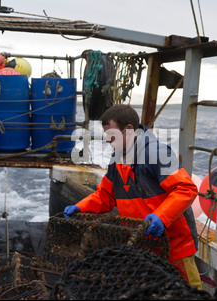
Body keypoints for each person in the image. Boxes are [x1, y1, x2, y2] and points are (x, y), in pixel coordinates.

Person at [64, 104, 202, 289]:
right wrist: (80, 207)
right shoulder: (117, 159)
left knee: (188, 293)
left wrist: (161, 217)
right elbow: (105, 196)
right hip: (144, 245)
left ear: (129, 130)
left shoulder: (157, 153)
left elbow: (186, 188)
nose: (107, 140)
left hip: (175, 247)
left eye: (111, 134)